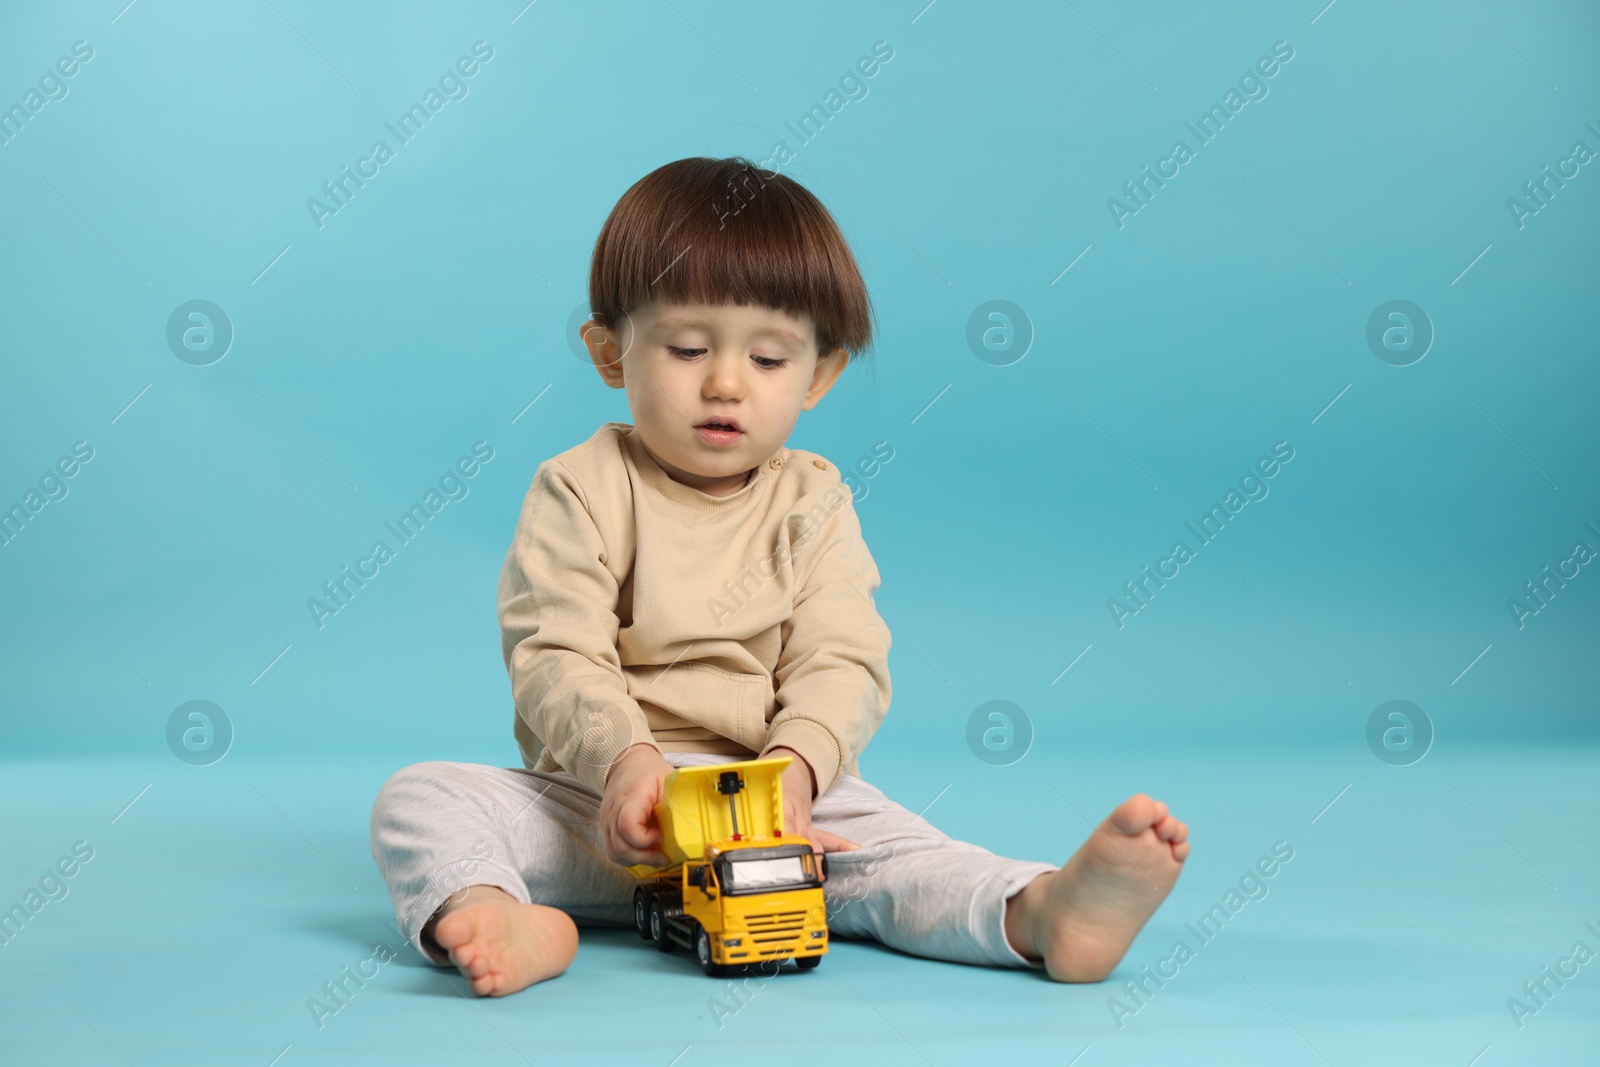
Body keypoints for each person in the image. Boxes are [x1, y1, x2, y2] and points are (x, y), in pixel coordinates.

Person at [369, 156, 1189, 997]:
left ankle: (1039, 911)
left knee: (900, 856)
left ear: (820, 375)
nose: (725, 381)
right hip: (604, 809)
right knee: (421, 796)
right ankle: (498, 907)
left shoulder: (815, 500)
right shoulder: (580, 486)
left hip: (777, 809)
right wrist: (624, 762)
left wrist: (798, 769)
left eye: (768, 359)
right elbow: (557, 651)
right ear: (611, 352)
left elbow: (843, 659)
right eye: (687, 347)